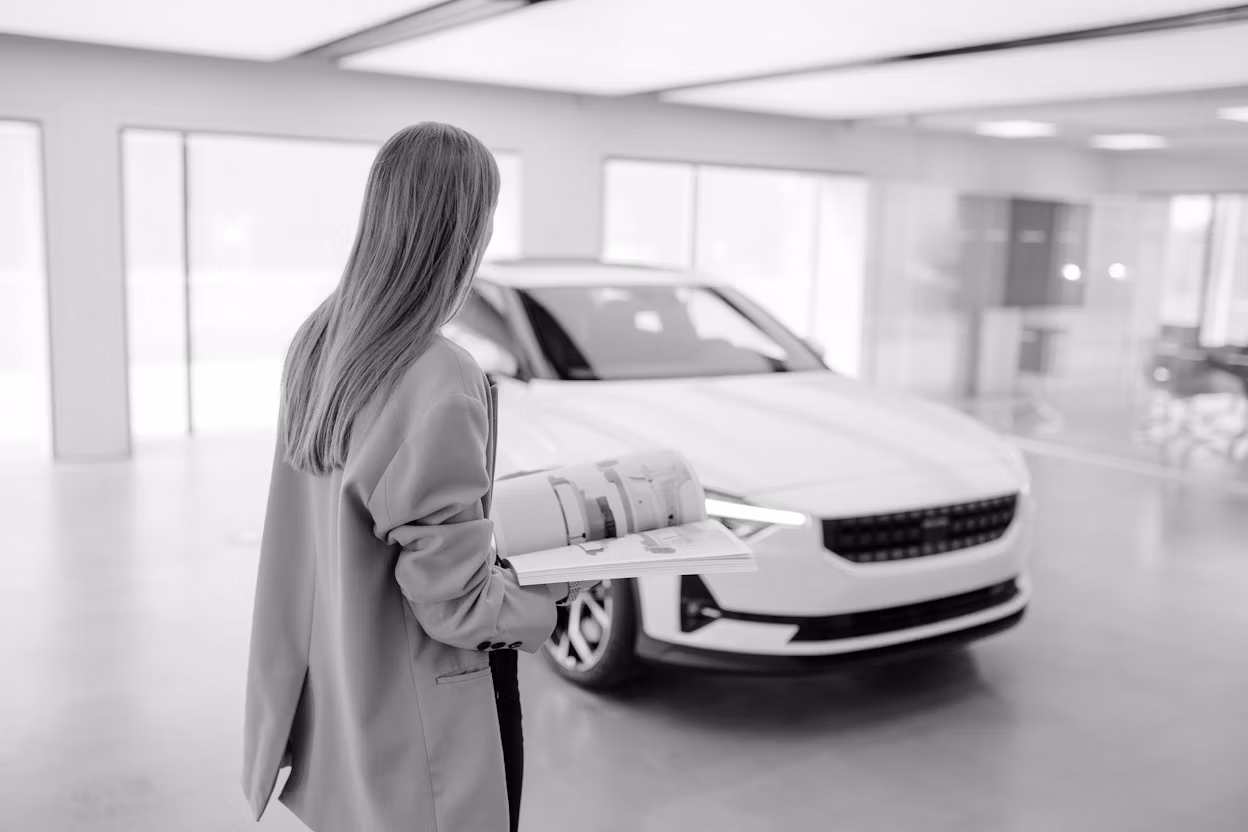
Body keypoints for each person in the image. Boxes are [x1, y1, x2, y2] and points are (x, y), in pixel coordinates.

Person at [241, 122, 582, 832]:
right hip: (426, 719)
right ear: (465, 230)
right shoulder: (438, 375)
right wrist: (561, 587)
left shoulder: (321, 341)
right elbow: (457, 608)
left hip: (345, 696)